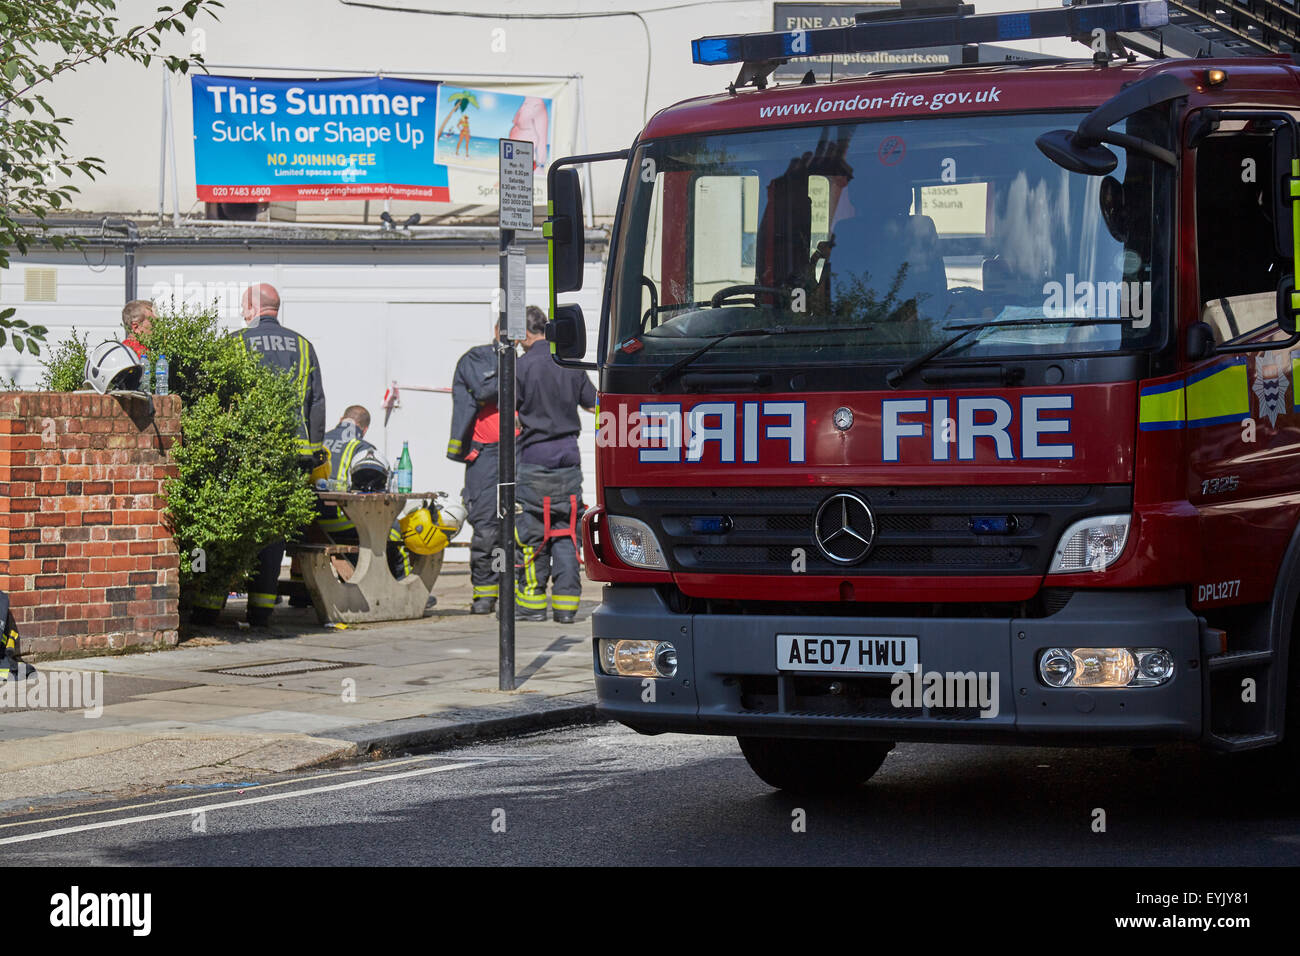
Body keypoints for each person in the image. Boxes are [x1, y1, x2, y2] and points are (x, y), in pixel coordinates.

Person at [239, 282, 327, 626]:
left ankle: (208, 608)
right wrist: (315, 450)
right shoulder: (303, 346)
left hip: (250, 454)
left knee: (241, 526)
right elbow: (316, 402)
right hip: (294, 458)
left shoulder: (237, 343)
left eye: (242, 306)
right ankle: (261, 610)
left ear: (251, 306)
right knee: (275, 532)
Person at [513, 305, 596, 624]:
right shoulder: (569, 362)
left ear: (524, 334)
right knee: (565, 531)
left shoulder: (520, 368)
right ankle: (566, 606)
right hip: (568, 459)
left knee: (533, 532)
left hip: (535, 460)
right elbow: (594, 405)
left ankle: (532, 606)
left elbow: (509, 415)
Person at [317, 405, 411, 581]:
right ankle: (401, 583)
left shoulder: (319, 440)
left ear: (341, 420)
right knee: (396, 530)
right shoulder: (364, 449)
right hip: (343, 522)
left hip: (313, 520)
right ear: (365, 429)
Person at [448, 323, 502, 614]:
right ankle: (485, 595)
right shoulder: (477, 360)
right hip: (486, 457)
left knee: (517, 530)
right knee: (486, 529)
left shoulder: (526, 363)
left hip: (520, 452)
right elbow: (483, 390)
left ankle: (511, 591)